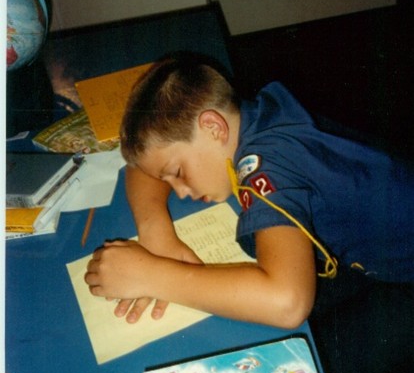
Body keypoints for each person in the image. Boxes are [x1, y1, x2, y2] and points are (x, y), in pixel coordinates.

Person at [84, 52, 414, 329]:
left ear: (213, 127)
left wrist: (153, 276)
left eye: (179, 174)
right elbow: (144, 163)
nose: (181, 192)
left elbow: (287, 303)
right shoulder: (253, 115)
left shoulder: (264, 165)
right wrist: (156, 232)